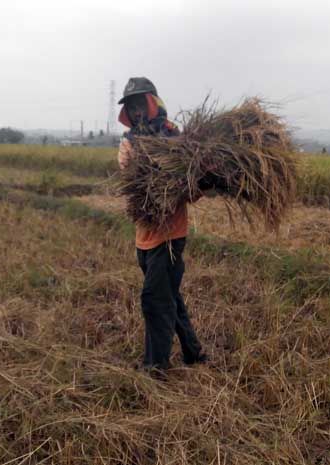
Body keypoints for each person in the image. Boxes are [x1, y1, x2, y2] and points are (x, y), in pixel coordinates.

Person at [117, 77, 207, 375]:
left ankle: (155, 366)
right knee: (170, 295)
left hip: (169, 237)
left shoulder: (176, 139)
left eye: (141, 102)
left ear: (153, 103)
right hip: (144, 236)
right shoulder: (128, 143)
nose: (137, 110)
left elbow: (193, 190)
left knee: (154, 299)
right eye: (132, 105)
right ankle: (194, 353)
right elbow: (133, 185)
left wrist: (192, 179)